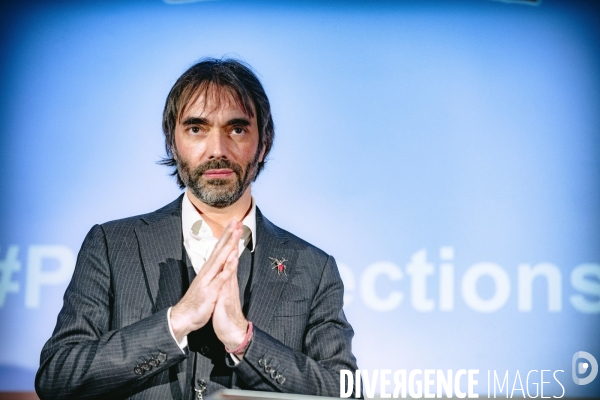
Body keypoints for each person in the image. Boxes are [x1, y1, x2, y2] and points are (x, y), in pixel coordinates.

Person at [35, 58, 359, 400]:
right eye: (196, 129)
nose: (217, 150)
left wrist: (245, 341)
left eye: (237, 129)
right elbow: (57, 377)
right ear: (172, 144)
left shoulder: (314, 268)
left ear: (263, 144)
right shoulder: (112, 245)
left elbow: (345, 392)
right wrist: (175, 323)